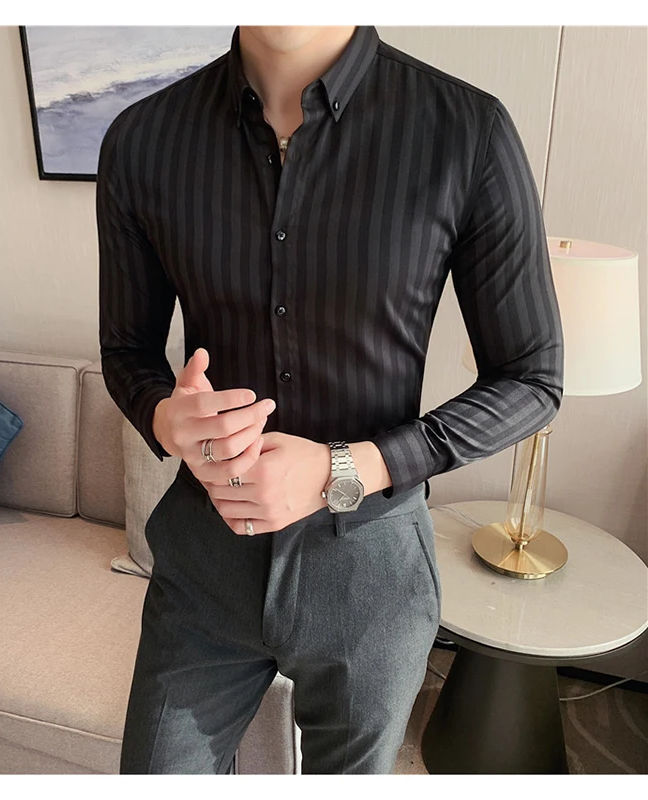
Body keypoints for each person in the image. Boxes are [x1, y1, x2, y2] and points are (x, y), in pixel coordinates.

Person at [97, 25, 564, 774]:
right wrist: (165, 416)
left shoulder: (465, 131)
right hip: (204, 558)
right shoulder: (142, 138)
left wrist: (342, 467)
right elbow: (127, 350)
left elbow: (532, 379)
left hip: (370, 569)